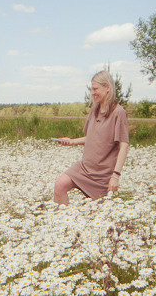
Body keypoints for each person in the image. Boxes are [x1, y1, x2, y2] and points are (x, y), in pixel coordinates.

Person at [53, 70, 129, 203]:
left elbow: (124, 145)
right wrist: (71, 141)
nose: (93, 93)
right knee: (59, 185)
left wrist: (115, 176)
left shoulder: (119, 113)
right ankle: (62, 221)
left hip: (102, 175)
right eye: (91, 89)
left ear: (107, 88)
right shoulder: (94, 111)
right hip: (84, 168)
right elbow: (92, 138)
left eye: (95, 89)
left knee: (97, 217)